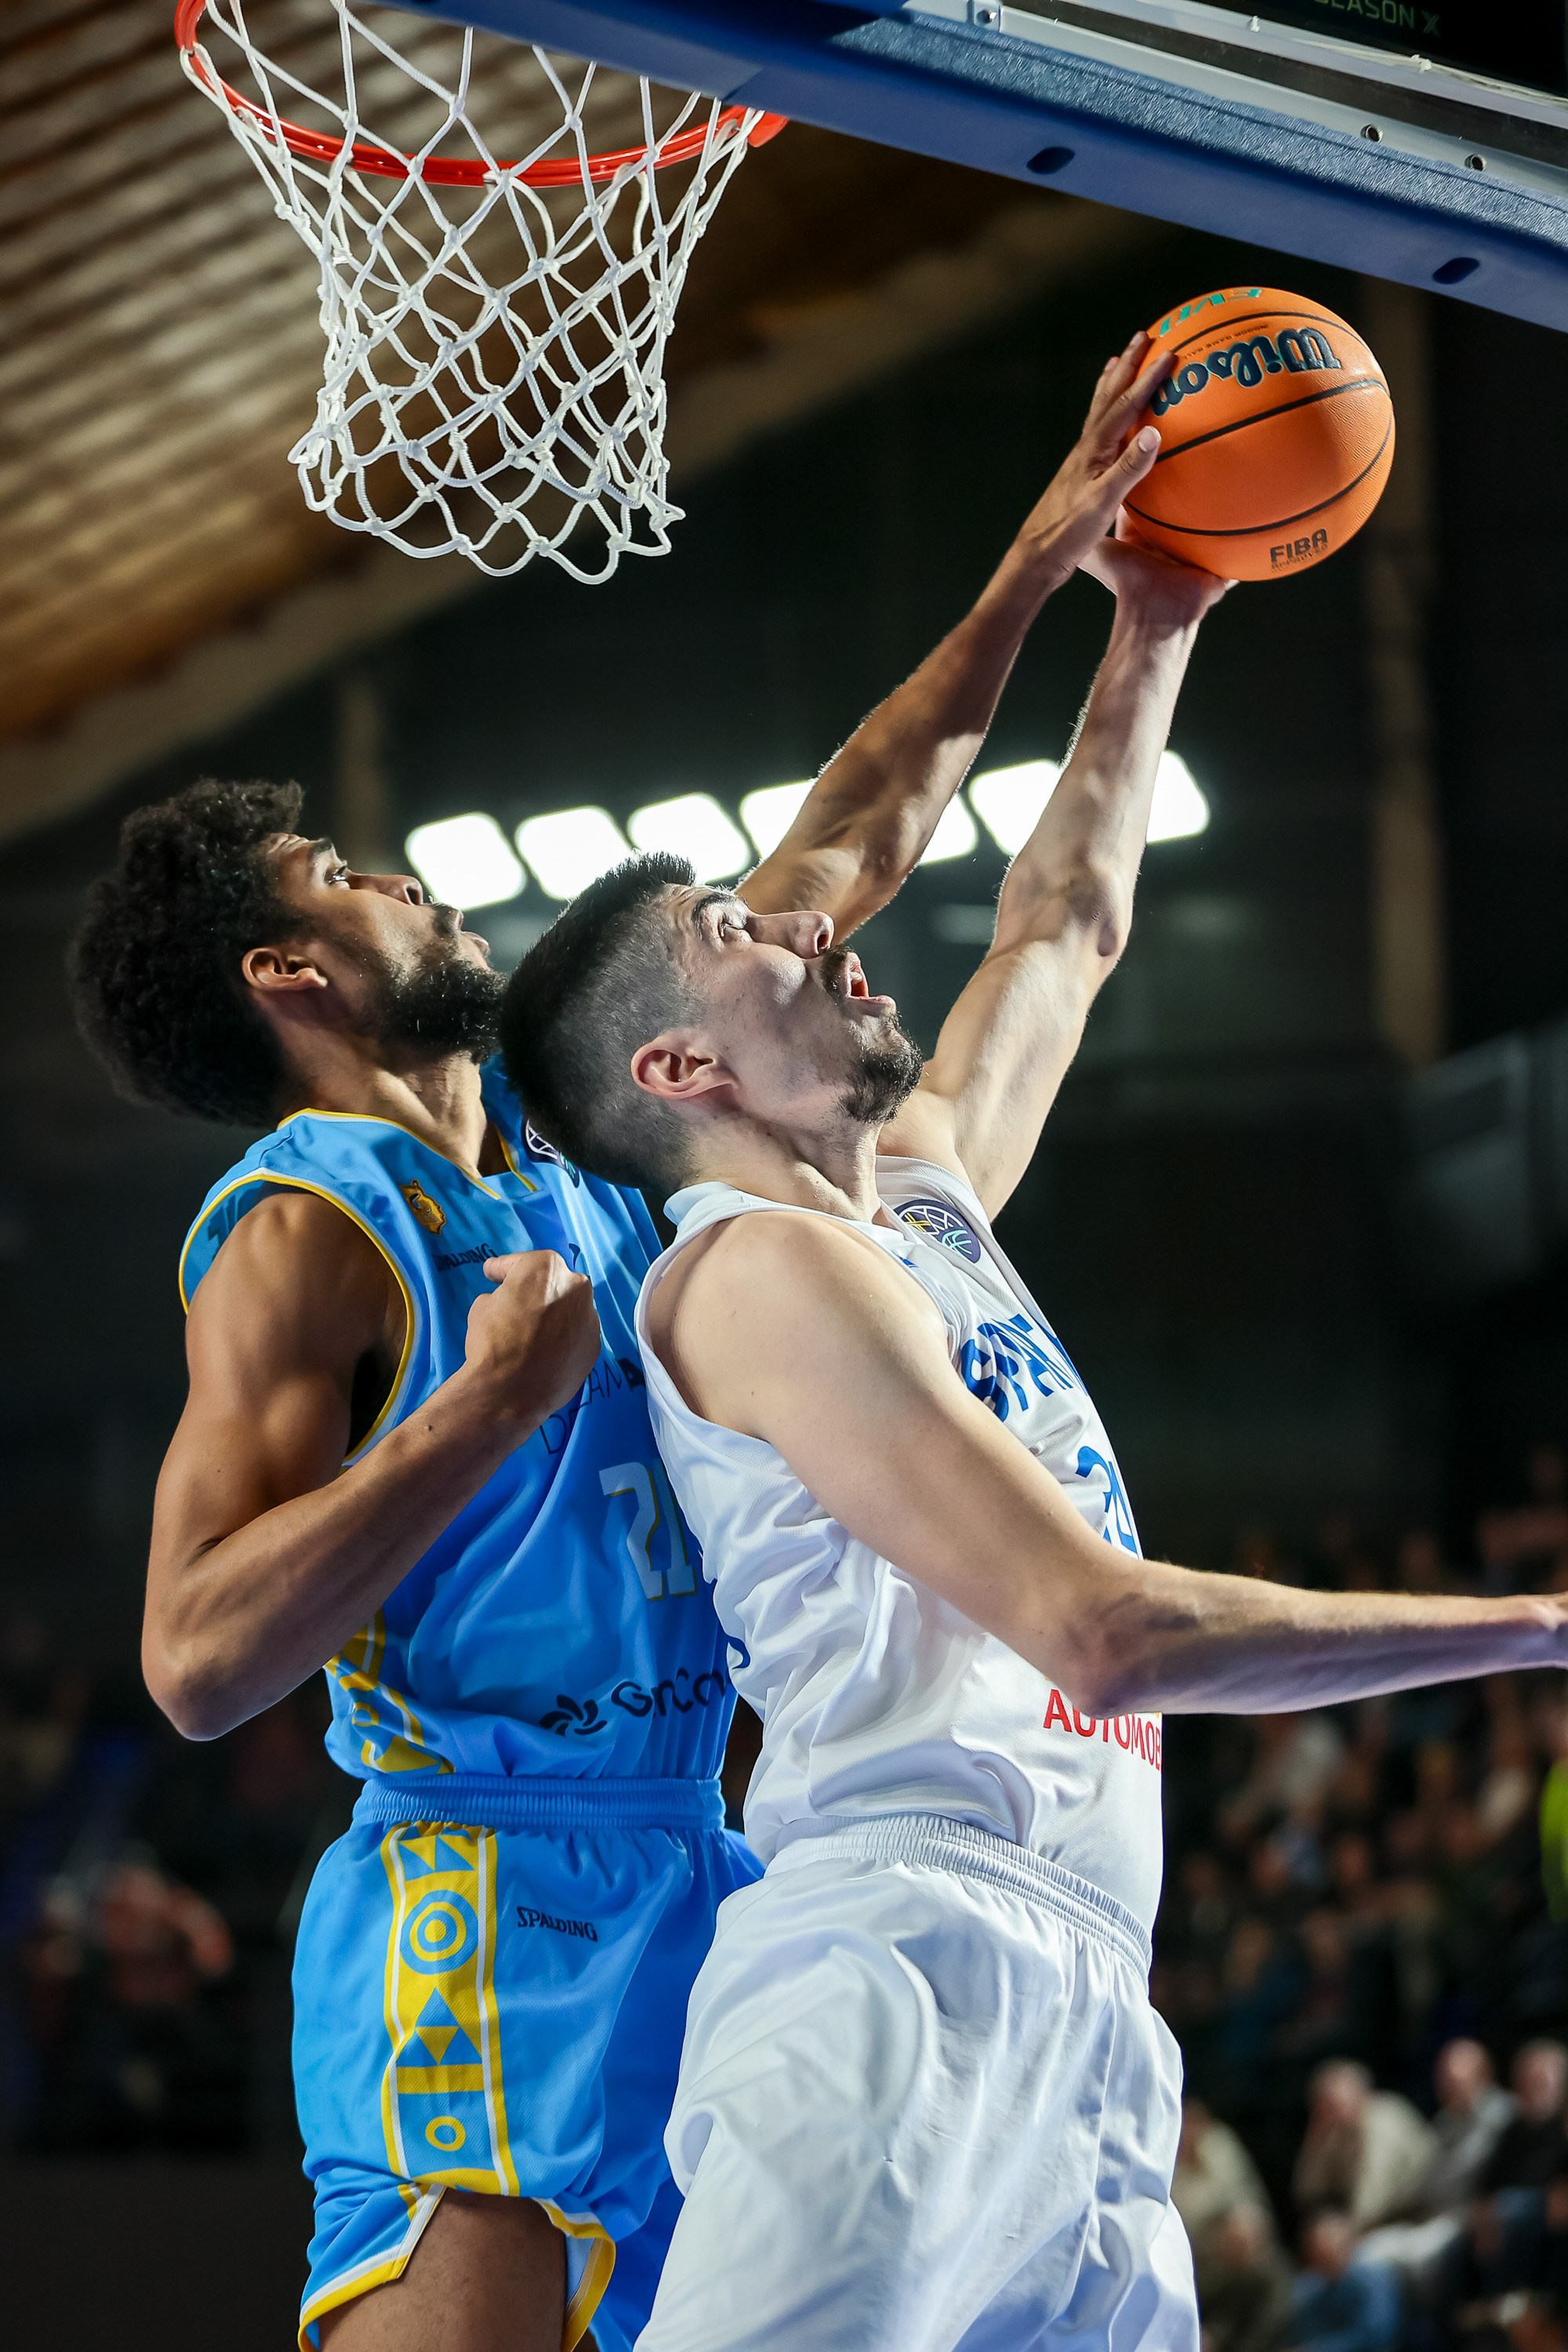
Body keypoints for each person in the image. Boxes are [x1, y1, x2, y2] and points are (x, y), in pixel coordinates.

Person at [65, 344, 1172, 2352]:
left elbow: (858, 828)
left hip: (700, 1857)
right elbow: (198, 1657)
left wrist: (1041, 566)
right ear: (285, 971)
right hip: (478, 1896)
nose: (399, 873)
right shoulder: (312, 1220)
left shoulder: (596, 1119)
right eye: (344, 877)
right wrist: (482, 1407)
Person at [499, 541, 1568, 2352]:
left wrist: (1157, 617)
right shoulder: (751, 1274)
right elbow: (1103, 1630)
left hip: (1083, 1988)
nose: (810, 919)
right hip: (895, 1966)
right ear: (681, 1070)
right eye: (737, 932)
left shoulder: (914, 1202)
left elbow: (1062, 920)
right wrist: (1534, 1622)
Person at [1293, 2059, 1437, 2234]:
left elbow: (1374, 2196)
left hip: (1421, 2219)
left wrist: (1345, 2232)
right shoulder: (1339, 2130)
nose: (1331, 2111)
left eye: (1336, 2102)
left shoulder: (1383, 2118)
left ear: (1360, 2093)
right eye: (1324, 2106)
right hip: (1383, 2224)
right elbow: (1307, 2193)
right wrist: (1315, 2139)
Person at [1282, 2212, 1400, 2352]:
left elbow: (1376, 2334)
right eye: (1317, 2253)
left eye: (1330, 2247)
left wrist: (1315, 2349)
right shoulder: (1312, 2287)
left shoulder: (1372, 2278)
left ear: (1349, 2244)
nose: (1324, 2256)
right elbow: (1300, 2333)